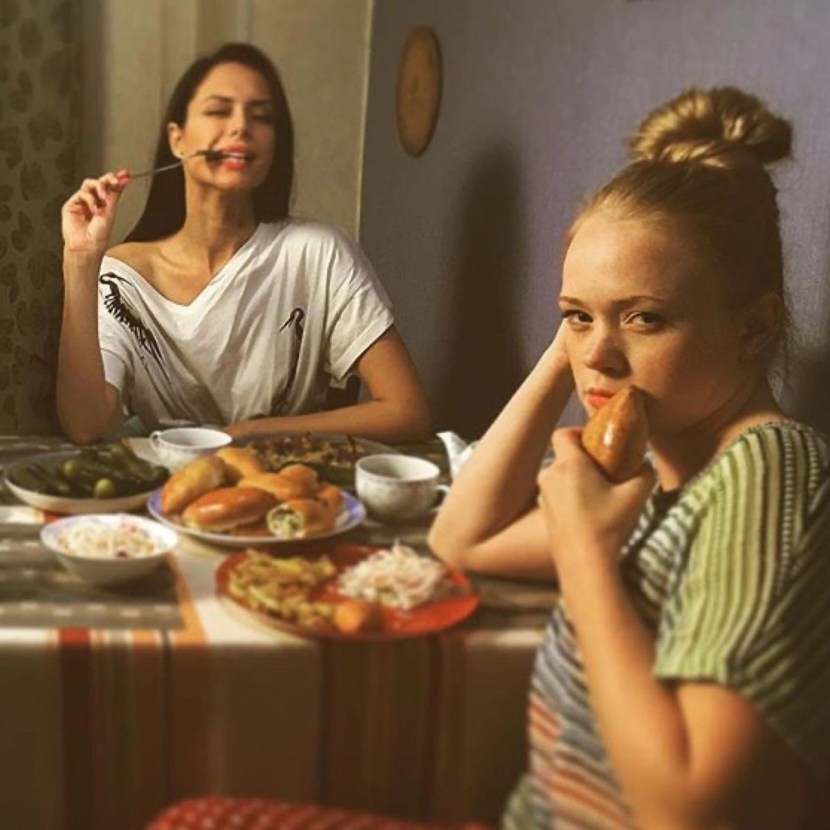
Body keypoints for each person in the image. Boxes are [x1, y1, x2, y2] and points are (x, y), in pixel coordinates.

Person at [429, 86, 830, 829]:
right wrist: (589, 327)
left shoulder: (768, 475)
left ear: (754, 329)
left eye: (647, 318)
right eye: (576, 317)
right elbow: (462, 537)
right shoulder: (656, 478)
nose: (599, 357)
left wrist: (584, 552)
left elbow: (687, 808)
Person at [58, 43, 430, 445]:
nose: (241, 127)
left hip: (281, 481)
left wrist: (250, 433)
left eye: (262, 117)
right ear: (177, 139)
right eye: (219, 111)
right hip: (159, 484)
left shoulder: (319, 253)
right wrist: (81, 260)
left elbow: (406, 411)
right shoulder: (120, 281)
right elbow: (86, 425)